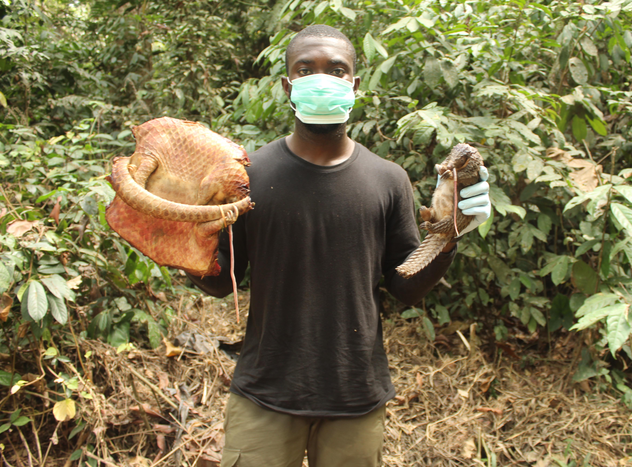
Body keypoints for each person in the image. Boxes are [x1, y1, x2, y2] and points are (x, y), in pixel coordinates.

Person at [187, 25, 491, 467]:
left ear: (354, 84)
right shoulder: (247, 175)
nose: (321, 78)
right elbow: (219, 281)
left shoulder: (388, 179)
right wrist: (181, 233)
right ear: (288, 86)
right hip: (264, 392)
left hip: (355, 393)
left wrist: (448, 236)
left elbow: (404, 286)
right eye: (306, 69)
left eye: (336, 69)